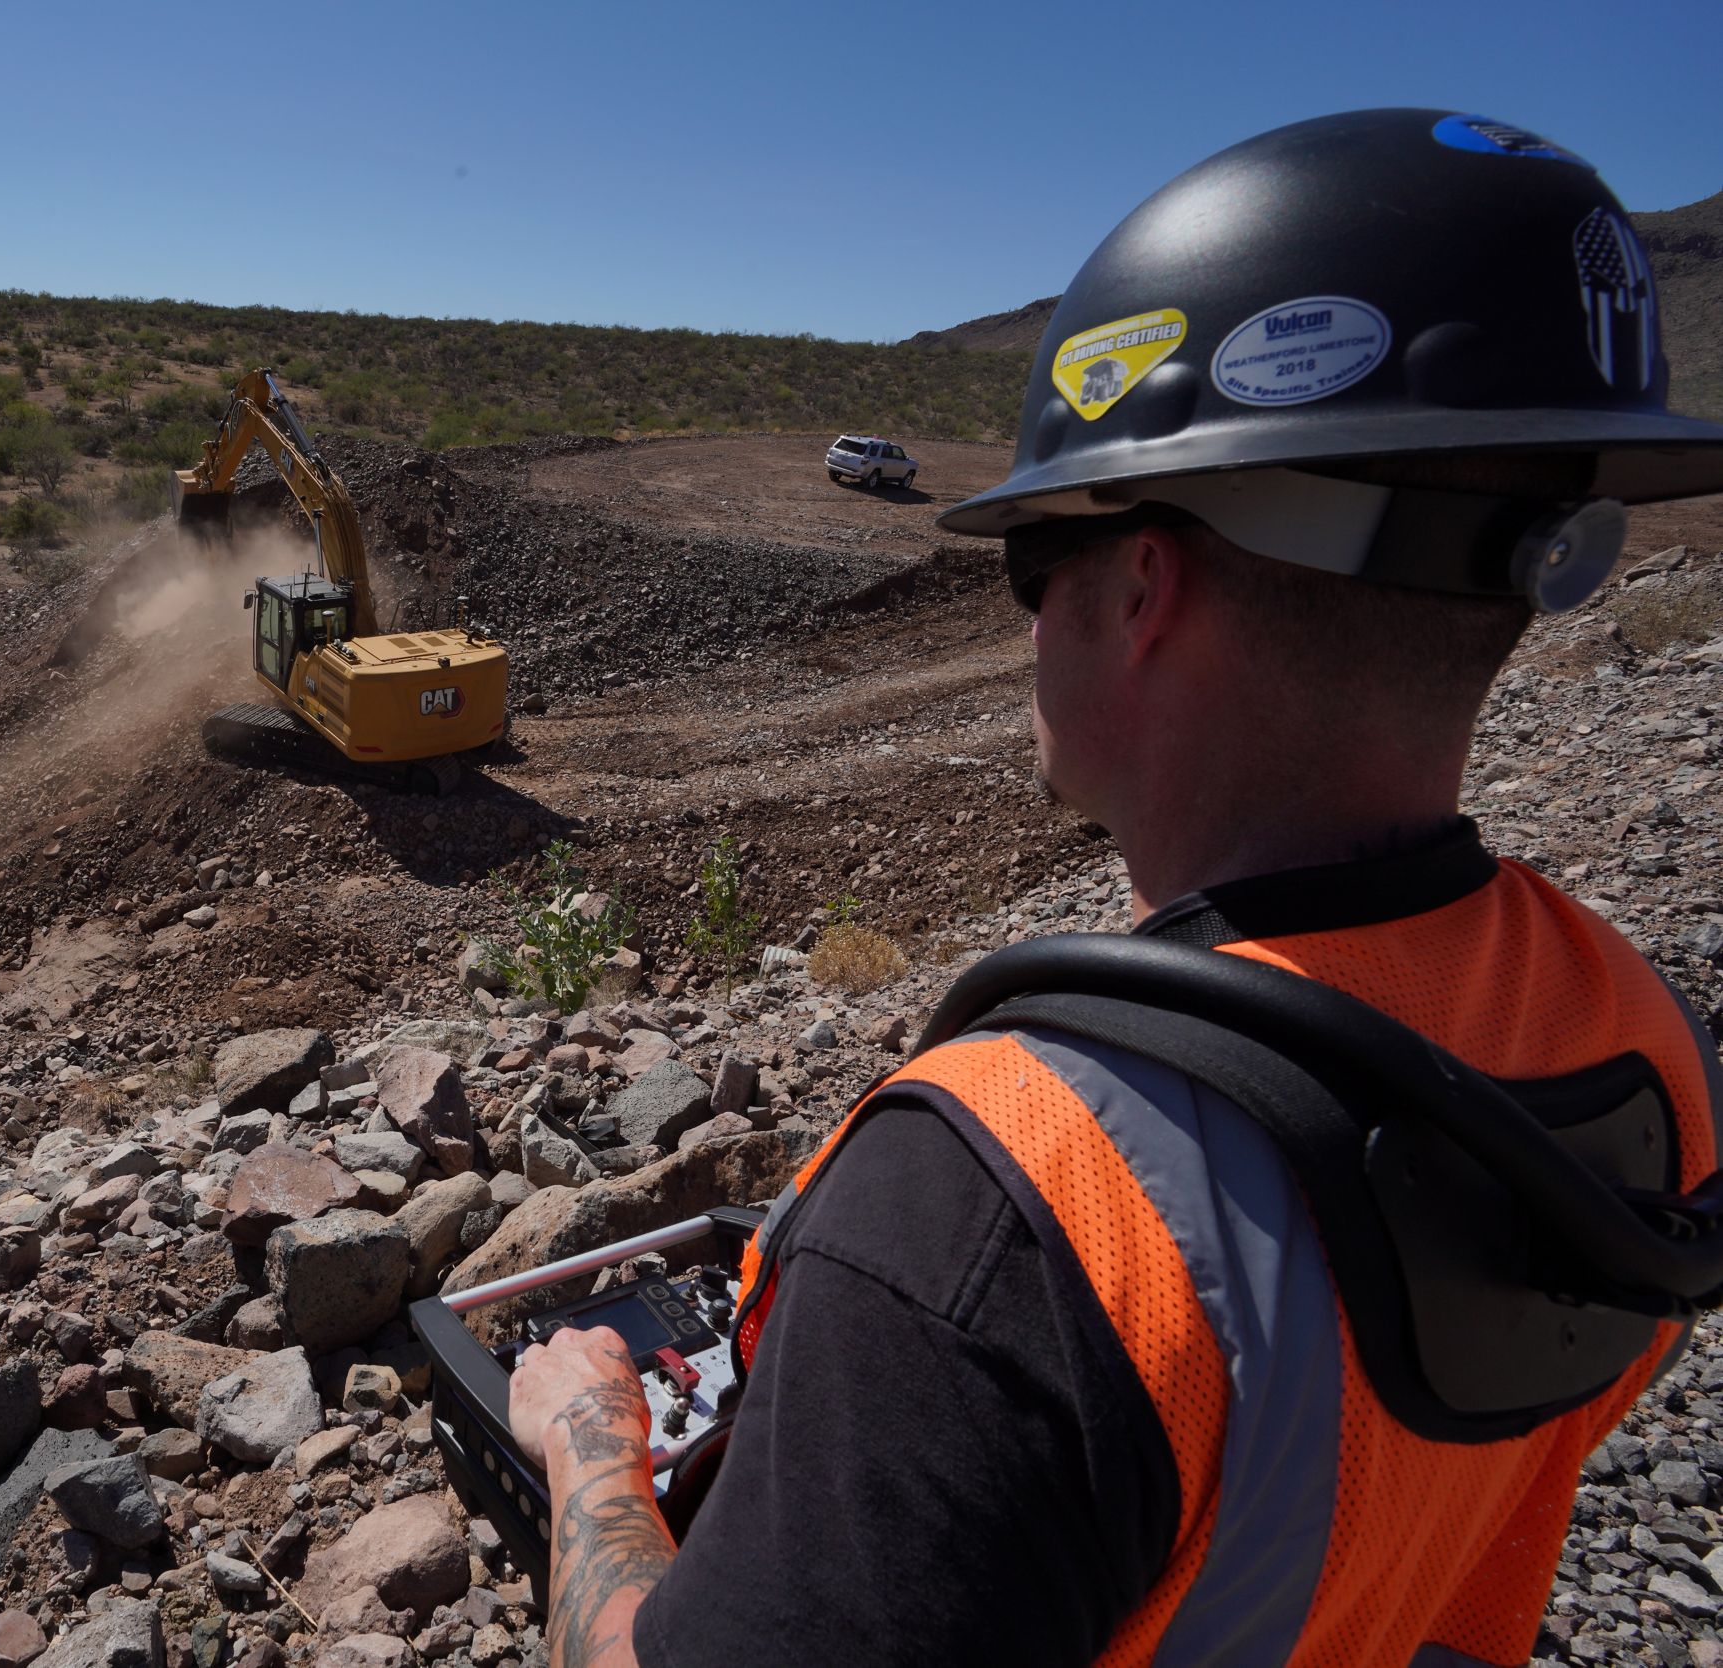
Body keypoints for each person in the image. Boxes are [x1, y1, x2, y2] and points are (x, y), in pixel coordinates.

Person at [508, 108, 1723, 1668]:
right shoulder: (1642, 1045)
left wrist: (591, 1453)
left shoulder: (1006, 1217)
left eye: (1032, 560)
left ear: (1146, 586)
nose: (1022, 623)